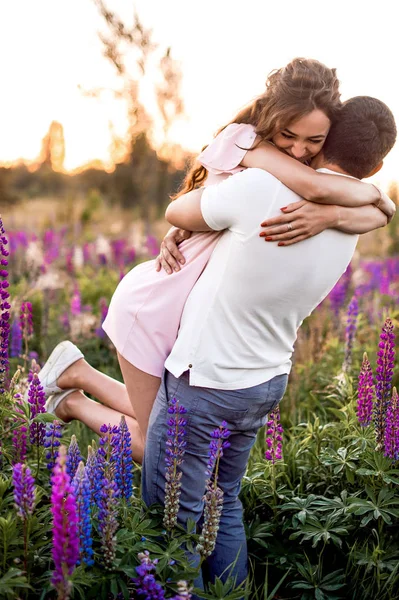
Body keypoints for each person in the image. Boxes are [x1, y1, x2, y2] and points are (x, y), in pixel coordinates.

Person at [37, 59, 393, 464]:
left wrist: (339, 214)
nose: (299, 150)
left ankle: (76, 374)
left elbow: (374, 207)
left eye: (314, 140)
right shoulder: (251, 147)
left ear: (329, 137)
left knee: (162, 425)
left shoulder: (293, 169)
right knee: (165, 449)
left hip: (186, 308)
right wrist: (373, 201)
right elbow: (331, 190)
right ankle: (73, 403)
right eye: (289, 134)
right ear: (271, 117)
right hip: (156, 304)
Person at [141, 95, 397, 597]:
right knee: (225, 501)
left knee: (175, 519)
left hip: (207, 377)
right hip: (265, 381)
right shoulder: (355, 214)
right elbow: (376, 205)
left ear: (325, 135)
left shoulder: (260, 187)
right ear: (380, 163)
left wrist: (246, 160)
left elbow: (177, 208)